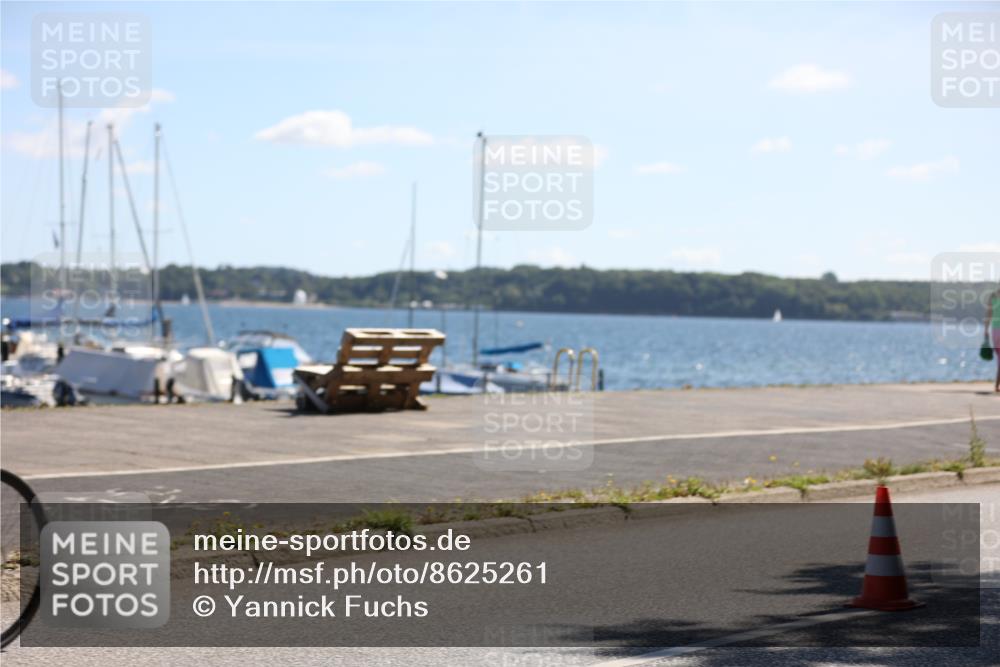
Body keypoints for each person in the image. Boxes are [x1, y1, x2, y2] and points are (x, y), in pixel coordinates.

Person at [986, 285, 1000, 392]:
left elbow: (988, 315)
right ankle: (996, 385)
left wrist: (985, 329)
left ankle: (996, 385)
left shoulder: (993, 296)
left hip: (995, 330)